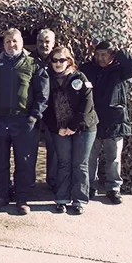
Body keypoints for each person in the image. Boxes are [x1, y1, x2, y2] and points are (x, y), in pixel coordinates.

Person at [0, 28, 49, 215]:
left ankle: (22, 198)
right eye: (8, 41)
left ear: (21, 43)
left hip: (24, 122)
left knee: (24, 162)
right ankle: (1, 195)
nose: (12, 44)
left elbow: (43, 95)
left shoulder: (33, 64)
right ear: (4, 44)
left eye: (15, 41)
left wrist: (34, 116)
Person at [80, 40, 132, 204]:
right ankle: (89, 187)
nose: (100, 58)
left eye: (104, 55)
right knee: (90, 158)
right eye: (98, 54)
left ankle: (113, 189)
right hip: (93, 121)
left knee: (113, 159)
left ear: (112, 55)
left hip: (114, 122)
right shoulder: (87, 69)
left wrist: (118, 51)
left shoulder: (120, 71)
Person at [43, 47, 98, 215]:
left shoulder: (80, 78)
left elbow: (87, 105)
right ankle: (61, 199)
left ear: (69, 61)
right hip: (59, 129)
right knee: (63, 163)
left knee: (80, 164)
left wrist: (72, 127)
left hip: (84, 128)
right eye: (55, 60)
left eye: (62, 60)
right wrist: (57, 128)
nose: (58, 63)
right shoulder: (47, 79)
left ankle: (79, 200)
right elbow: (45, 108)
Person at [30, 28, 57, 191]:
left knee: (53, 149)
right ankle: (29, 182)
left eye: (47, 41)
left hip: (54, 112)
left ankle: (52, 181)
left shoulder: (59, 59)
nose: (44, 44)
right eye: (41, 41)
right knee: (30, 149)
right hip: (33, 111)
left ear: (53, 44)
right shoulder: (29, 60)